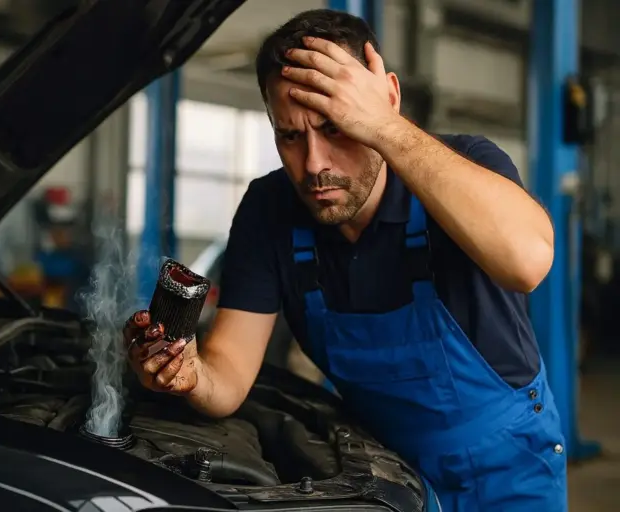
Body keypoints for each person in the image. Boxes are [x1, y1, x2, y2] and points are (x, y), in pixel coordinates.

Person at [123, 9, 566, 512]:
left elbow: (528, 262)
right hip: (383, 474)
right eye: (290, 136)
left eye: (336, 127)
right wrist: (191, 374)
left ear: (387, 98)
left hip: (507, 469)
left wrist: (385, 127)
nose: (314, 165)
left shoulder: (463, 167)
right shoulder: (270, 211)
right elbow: (228, 374)